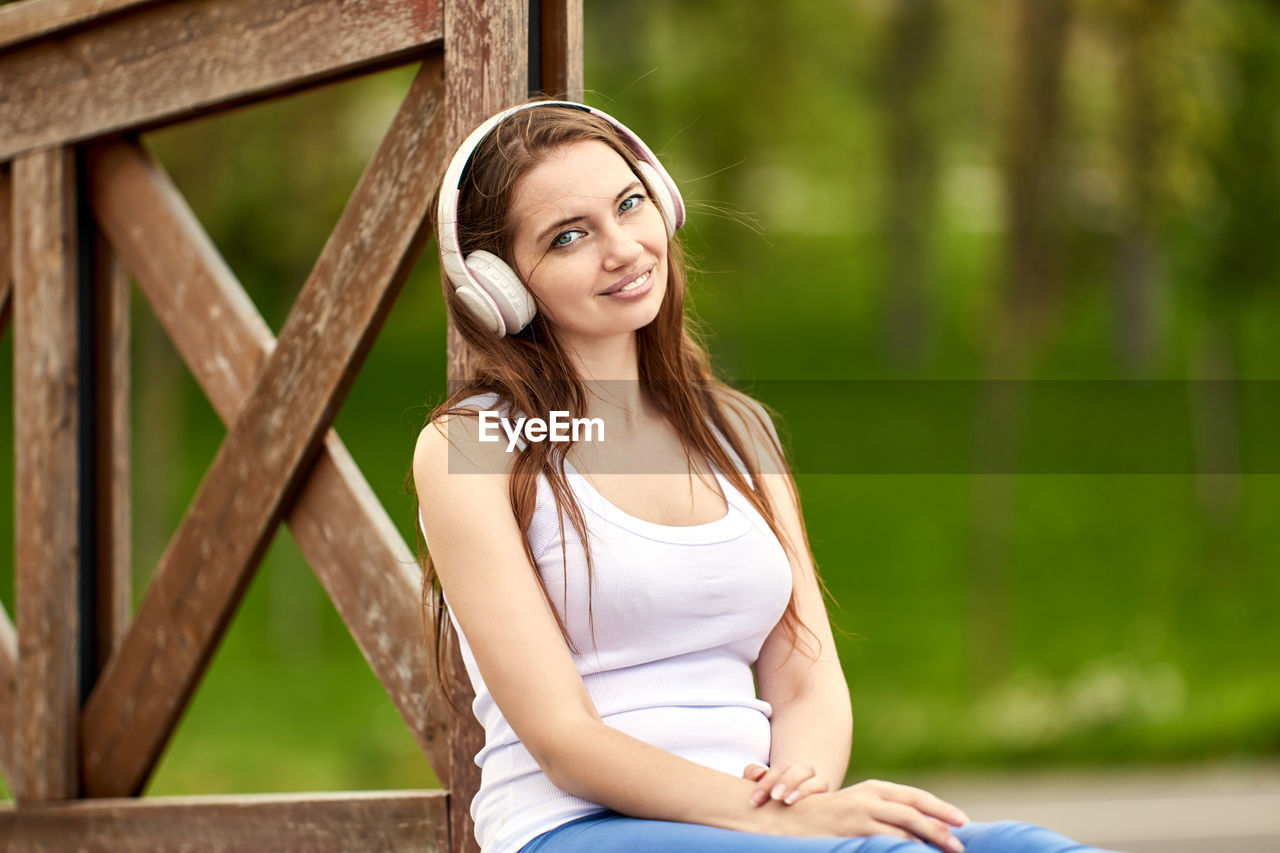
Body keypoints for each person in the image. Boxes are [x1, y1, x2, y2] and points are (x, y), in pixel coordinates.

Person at [412, 101, 1120, 853]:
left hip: (752, 822)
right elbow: (564, 739)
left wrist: (805, 798)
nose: (622, 247)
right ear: (499, 284)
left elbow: (808, 679)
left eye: (629, 204)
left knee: (1028, 847)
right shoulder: (474, 445)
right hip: (578, 827)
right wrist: (786, 823)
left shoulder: (737, 430)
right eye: (570, 236)